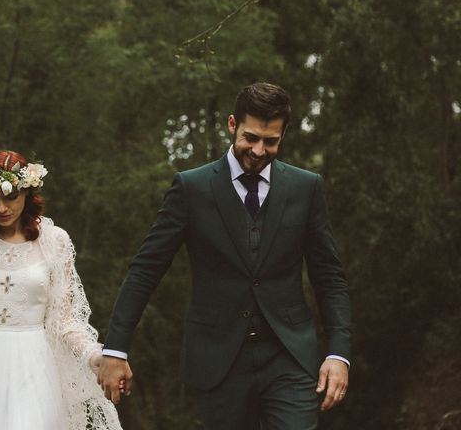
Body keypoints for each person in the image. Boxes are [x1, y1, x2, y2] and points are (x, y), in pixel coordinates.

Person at [98, 83, 351, 429]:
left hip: (289, 356)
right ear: (232, 124)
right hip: (218, 360)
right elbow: (145, 270)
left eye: (271, 141)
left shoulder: (306, 188)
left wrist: (338, 354)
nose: (259, 150)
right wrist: (115, 349)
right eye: (251, 137)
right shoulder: (192, 188)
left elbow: (329, 275)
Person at [0, 150, 122, 430]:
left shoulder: (55, 241)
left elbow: (65, 320)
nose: (2, 208)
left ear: (27, 193)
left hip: (33, 367)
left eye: (10, 197)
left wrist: (94, 356)